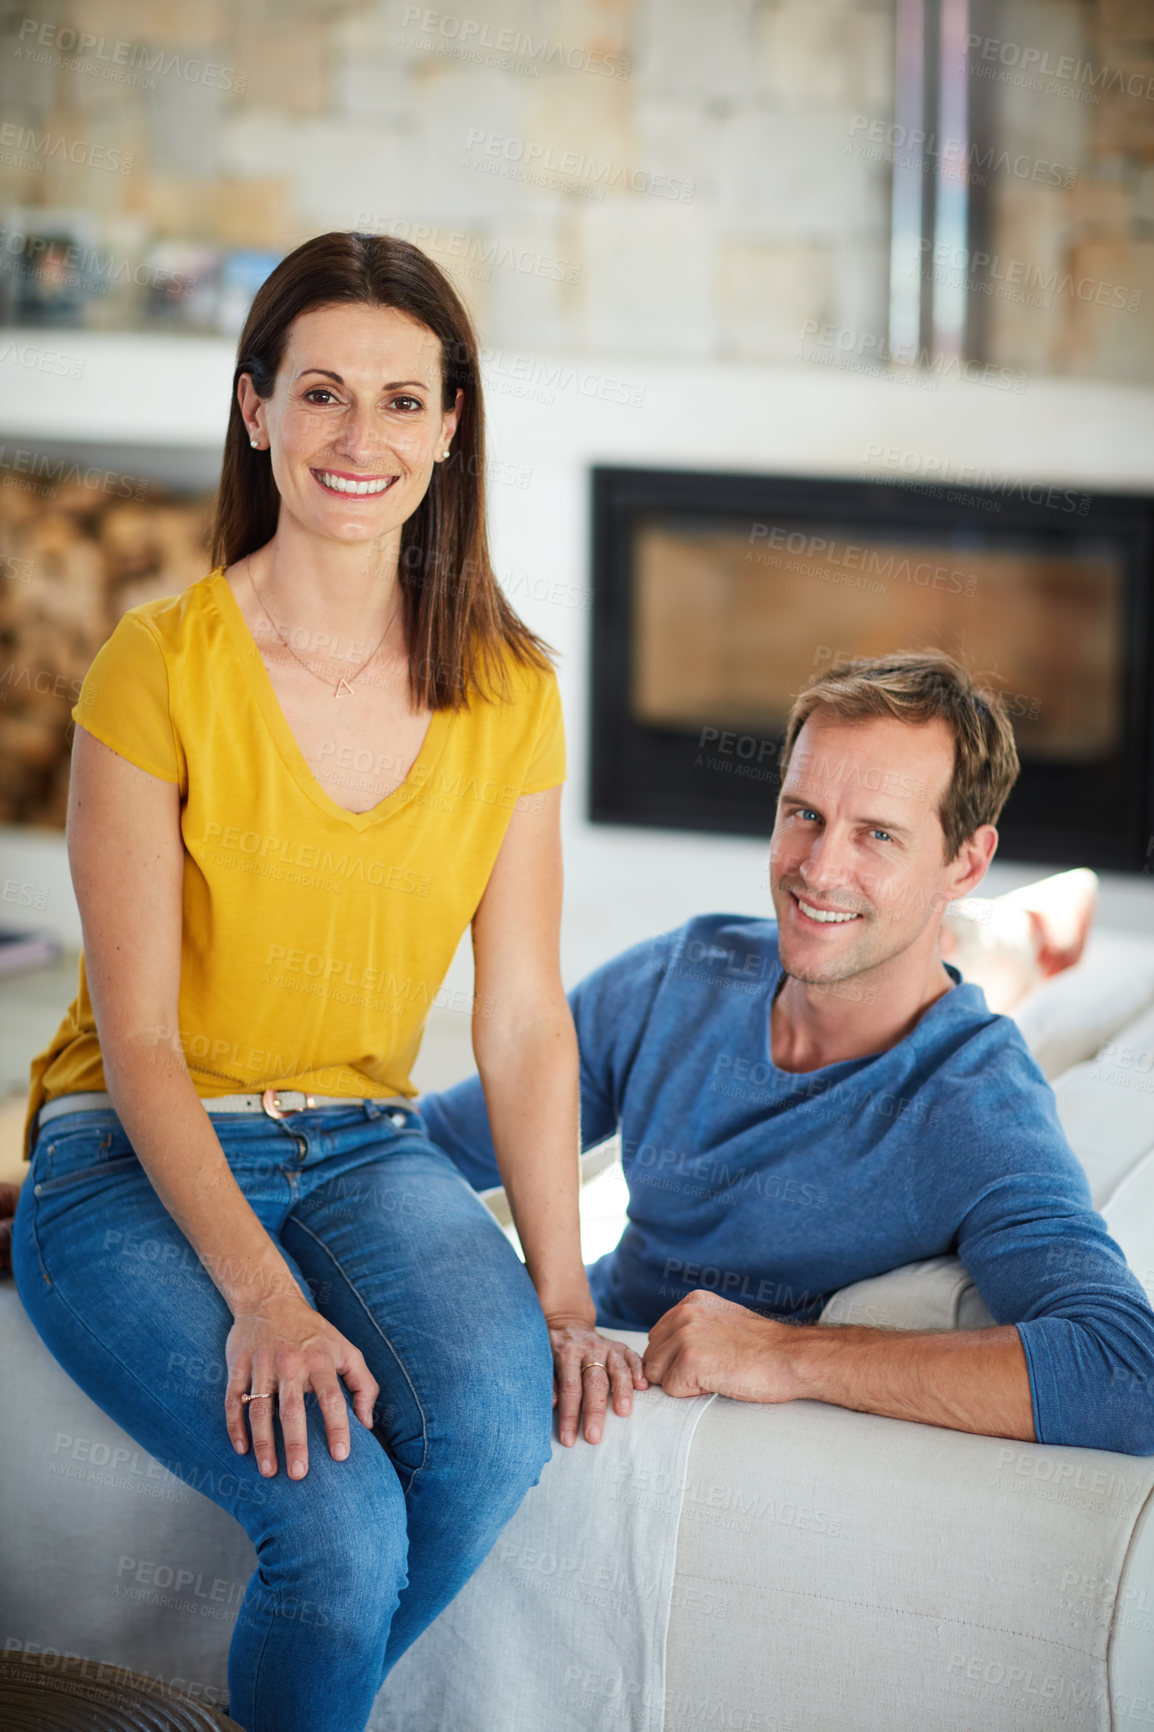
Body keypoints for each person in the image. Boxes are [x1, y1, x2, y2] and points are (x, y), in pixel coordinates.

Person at [10, 231, 643, 1732]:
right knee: (339, 1526)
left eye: (403, 402)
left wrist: (561, 1286)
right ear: (255, 414)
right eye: (321, 395)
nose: (362, 439)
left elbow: (518, 1016)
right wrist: (267, 1302)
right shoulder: (155, 669)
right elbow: (146, 1040)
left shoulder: (511, 694)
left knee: (495, 1438)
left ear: (450, 426)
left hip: (366, 1150)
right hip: (128, 1161)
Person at [422, 651, 1154, 1456]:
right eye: (803, 813)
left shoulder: (975, 1106)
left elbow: (1125, 1375)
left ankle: (1017, 939)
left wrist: (785, 1352)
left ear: (966, 861)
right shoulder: (683, 973)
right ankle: (1018, 937)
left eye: (877, 834)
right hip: (588, 1325)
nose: (817, 869)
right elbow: (429, 1149)